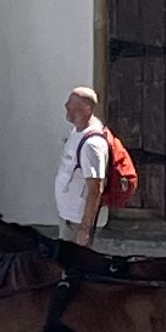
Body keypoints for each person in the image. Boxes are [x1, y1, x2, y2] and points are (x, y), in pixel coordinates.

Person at [55, 86, 113, 253]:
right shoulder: (77, 131)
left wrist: (85, 229)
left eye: (71, 103)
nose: (66, 106)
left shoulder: (92, 145)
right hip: (69, 216)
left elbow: (95, 189)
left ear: (86, 108)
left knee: (75, 267)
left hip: (78, 221)